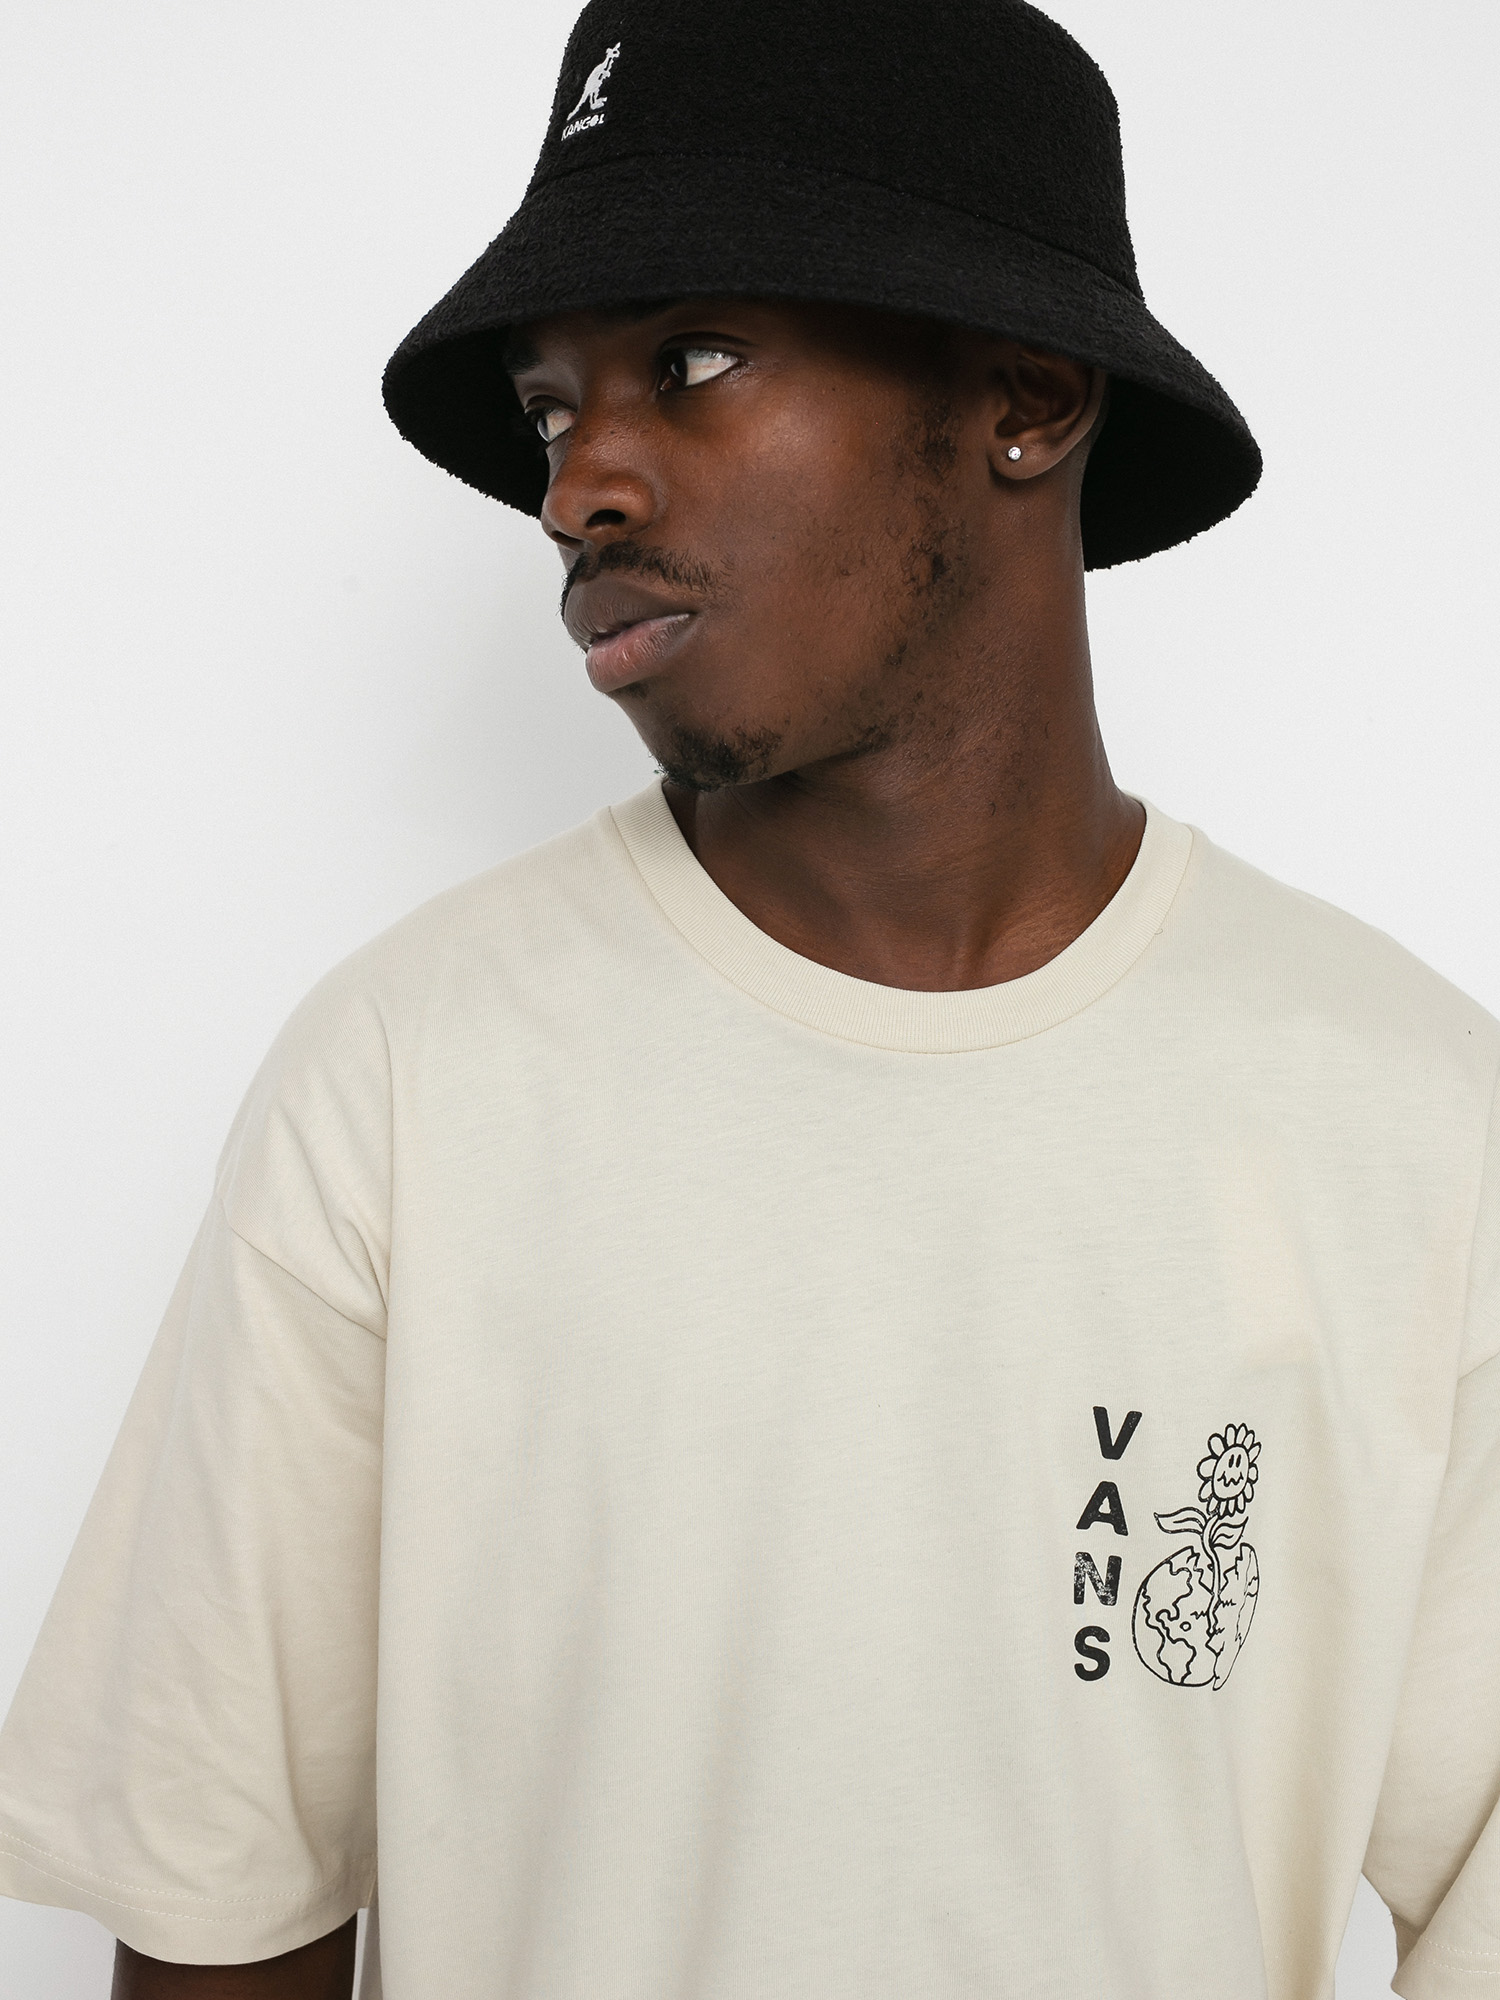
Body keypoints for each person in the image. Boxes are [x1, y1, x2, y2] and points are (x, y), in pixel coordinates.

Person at [1, 1, 1496, 1995]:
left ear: (1029, 397)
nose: (577, 491)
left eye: (692, 363)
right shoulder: (412, 1078)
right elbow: (220, 1902)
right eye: (550, 410)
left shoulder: (1410, 1125)